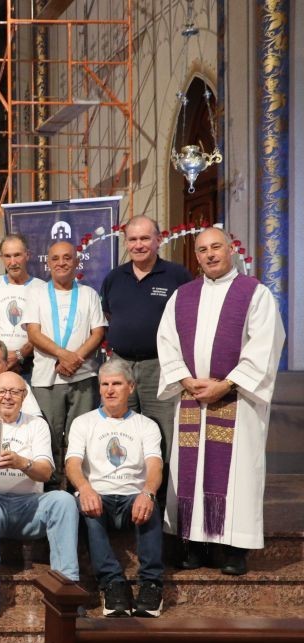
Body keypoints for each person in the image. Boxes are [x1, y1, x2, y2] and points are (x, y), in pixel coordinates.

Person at [156, 226, 285, 576]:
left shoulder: (254, 293)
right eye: (202, 250)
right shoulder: (182, 296)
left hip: (236, 400)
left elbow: (265, 345)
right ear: (196, 257)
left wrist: (226, 385)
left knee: (237, 474)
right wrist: (186, 380)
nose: (210, 254)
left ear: (230, 250)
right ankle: (193, 544)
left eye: (216, 247)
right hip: (192, 399)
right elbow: (166, 342)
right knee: (190, 474)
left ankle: (233, 549)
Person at [0, 372, 79, 619]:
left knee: (64, 500)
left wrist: (22, 463)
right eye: (1, 391)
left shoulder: (36, 425)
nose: (8, 397)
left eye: (15, 392)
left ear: (24, 396)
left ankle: (67, 588)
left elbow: (46, 473)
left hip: (29, 508)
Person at [66, 358, 165, 617]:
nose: (110, 390)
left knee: (150, 505)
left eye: (117, 384)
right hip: (99, 495)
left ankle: (151, 585)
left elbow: (155, 466)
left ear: (131, 387)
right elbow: (72, 464)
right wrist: (85, 488)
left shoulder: (146, 425)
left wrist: (148, 492)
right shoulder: (83, 422)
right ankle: (113, 584)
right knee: (87, 508)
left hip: (133, 496)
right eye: (105, 384)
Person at [101, 216, 194, 479]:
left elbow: (189, 319)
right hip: (120, 365)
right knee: (121, 427)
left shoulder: (177, 275)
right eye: (133, 239)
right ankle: (125, 485)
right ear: (126, 243)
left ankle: (160, 495)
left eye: (145, 238)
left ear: (158, 240)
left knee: (162, 429)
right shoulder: (114, 277)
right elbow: (108, 315)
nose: (138, 245)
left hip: (159, 365)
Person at [23, 240, 107, 487]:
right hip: (46, 379)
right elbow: (33, 333)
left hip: (83, 377)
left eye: (67, 257)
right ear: (48, 263)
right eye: (55, 258)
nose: (61, 263)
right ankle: (51, 490)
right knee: (48, 437)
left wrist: (74, 359)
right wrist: (63, 355)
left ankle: (76, 489)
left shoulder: (88, 294)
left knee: (79, 438)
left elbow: (98, 332)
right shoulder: (36, 294)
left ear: (77, 261)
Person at [0, 234, 43, 379]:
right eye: (7, 256)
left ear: (27, 255)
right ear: (1, 258)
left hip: (31, 365)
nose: (13, 262)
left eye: (17, 255)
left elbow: (45, 331)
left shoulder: (41, 288)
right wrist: (1, 356)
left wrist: (20, 355)